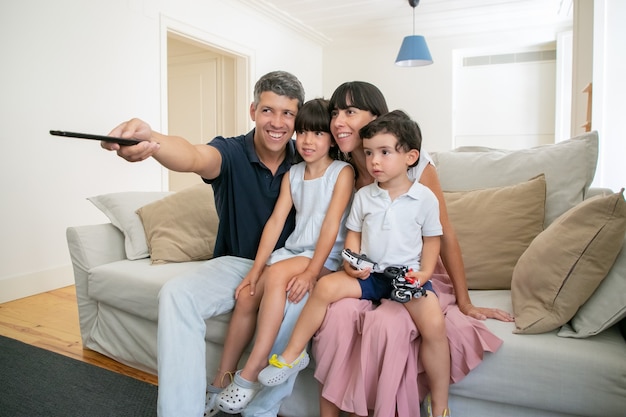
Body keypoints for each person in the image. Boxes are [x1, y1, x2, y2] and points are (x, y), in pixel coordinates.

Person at [102, 71, 311, 417]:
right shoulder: (230, 152)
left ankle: (253, 403)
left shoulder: (307, 158)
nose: (277, 122)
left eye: (287, 113)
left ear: (298, 117)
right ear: (253, 111)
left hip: (288, 268)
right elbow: (193, 156)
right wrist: (151, 139)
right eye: (268, 111)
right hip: (235, 264)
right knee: (175, 294)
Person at [311, 82, 513, 417]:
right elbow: (344, 233)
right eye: (334, 113)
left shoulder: (413, 167)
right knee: (337, 317)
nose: (338, 122)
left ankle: (428, 403)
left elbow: (442, 234)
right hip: (368, 272)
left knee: (396, 324)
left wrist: (465, 301)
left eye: (350, 112)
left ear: (377, 119)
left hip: (413, 270)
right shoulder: (340, 168)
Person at [258, 110, 452, 416]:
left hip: (406, 278)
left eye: (385, 153)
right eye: (370, 153)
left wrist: (425, 272)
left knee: (434, 327)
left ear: (411, 157)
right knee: (324, 287)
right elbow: (353, 236)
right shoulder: (364, 196)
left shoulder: (424, 198)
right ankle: (293, 354)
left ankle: (440, 404)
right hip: (370, 274)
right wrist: (351, 263)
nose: (374, 161)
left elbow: (432, 241)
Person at [208, 98, 354, 415]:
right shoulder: (294, 174)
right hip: (295, 252)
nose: (307, 141)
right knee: (247, 296)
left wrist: (312, 273)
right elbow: (275, 223)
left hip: (325, 258)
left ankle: (255, 366)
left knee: (277, 276)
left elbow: (331, 225)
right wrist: (255, 271)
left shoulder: (342, 173)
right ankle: (221, 379)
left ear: (331, 138)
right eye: (301, 132)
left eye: (317, 133)